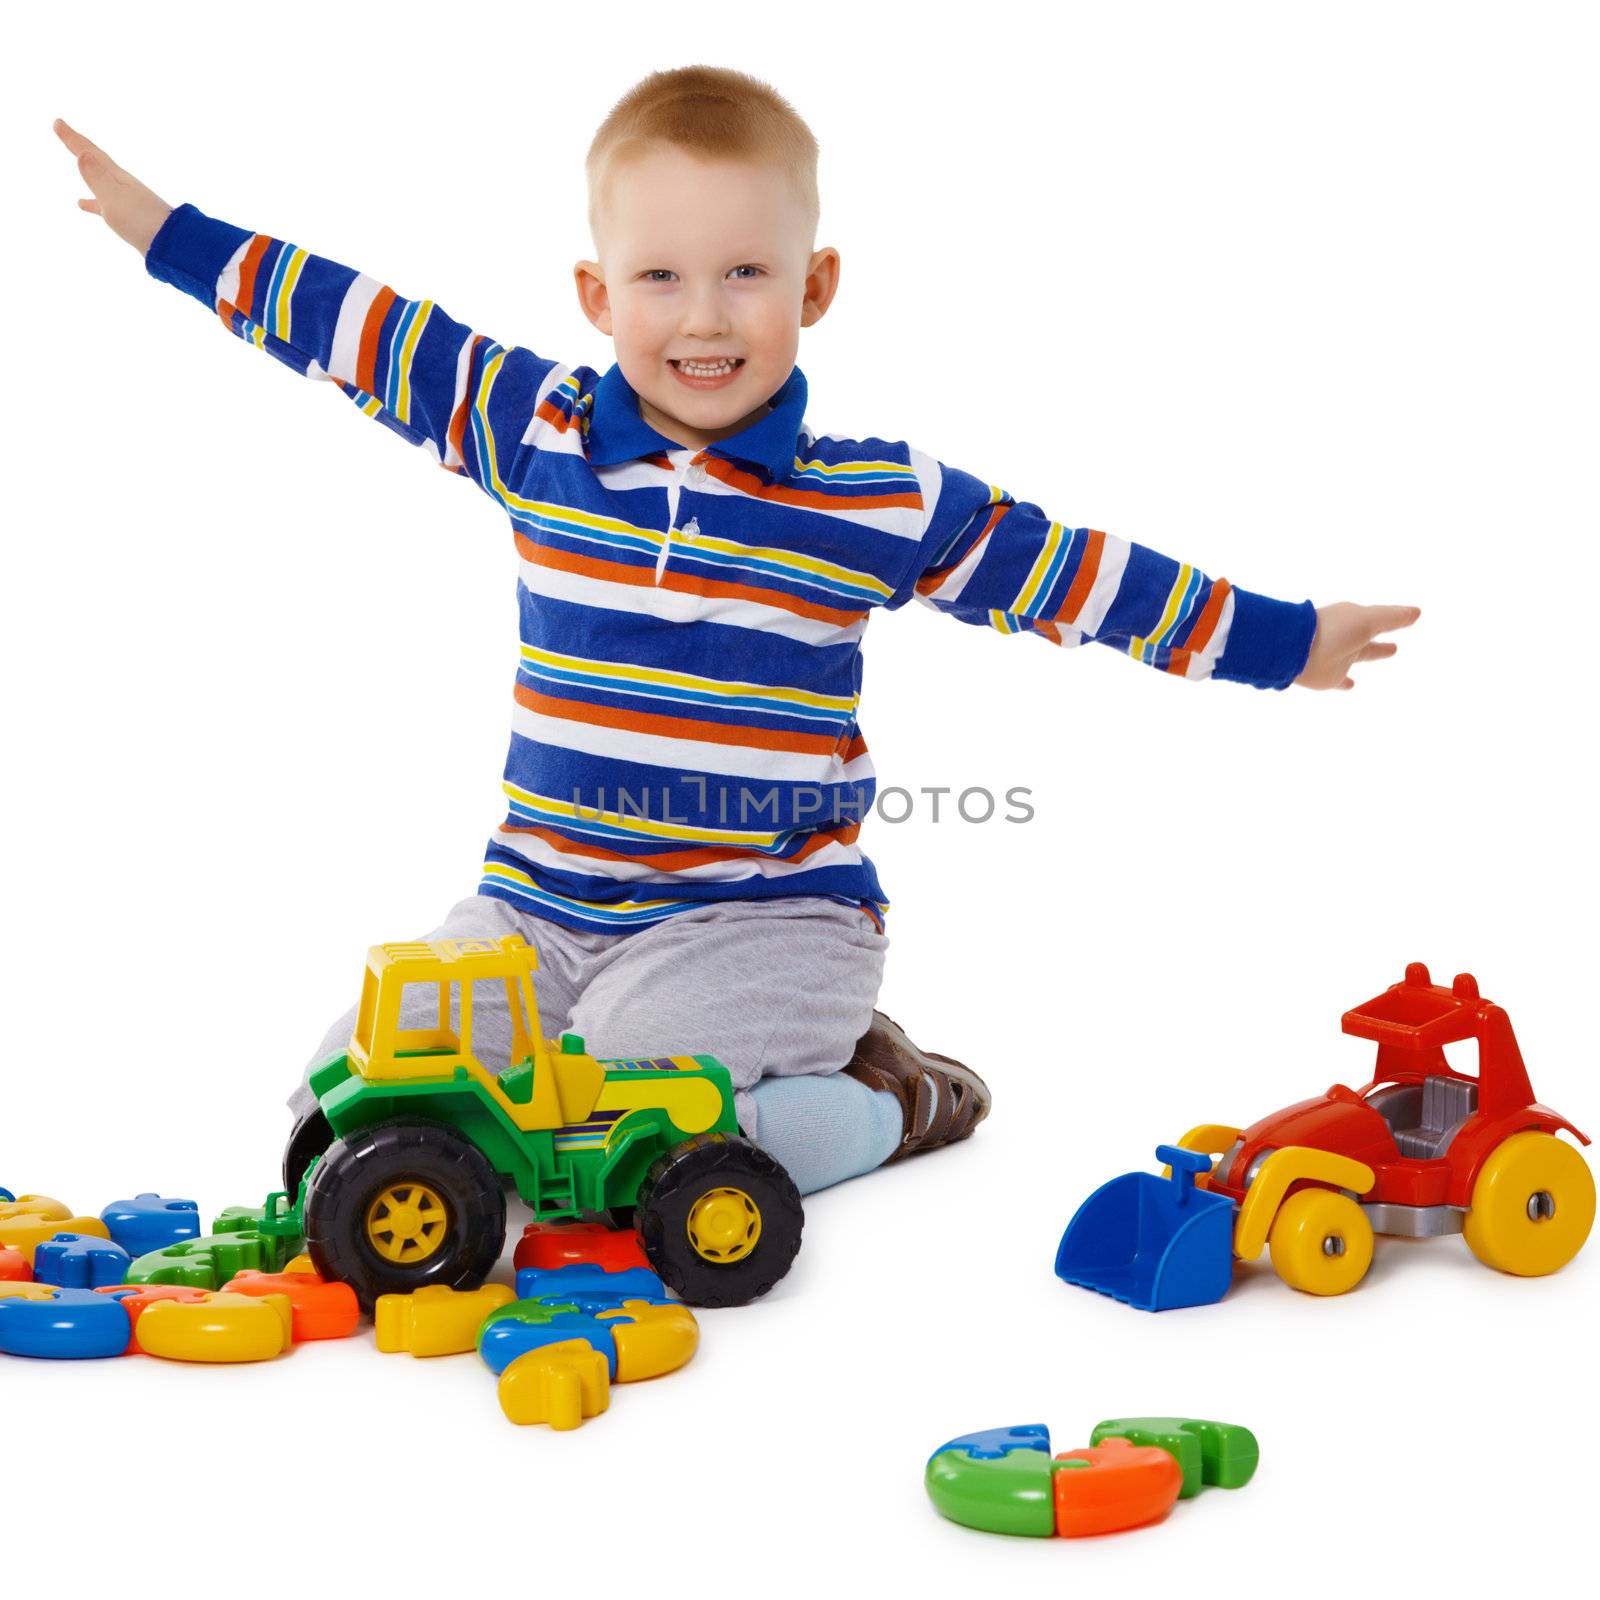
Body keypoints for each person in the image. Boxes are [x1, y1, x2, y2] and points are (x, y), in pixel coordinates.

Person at [51, 66, 1416, 1199]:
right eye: (660, 278)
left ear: (815, 287)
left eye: (744, 274)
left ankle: (889, 1096)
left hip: (766, 919)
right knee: (345, 1092)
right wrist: (171, 235)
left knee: (639, 1111)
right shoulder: (538, 434)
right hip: (536, 905)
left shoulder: (872, 499)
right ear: (597, 298)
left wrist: (1287, 640)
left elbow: (1079, 575)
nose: (702, 319)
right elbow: (361, 328)